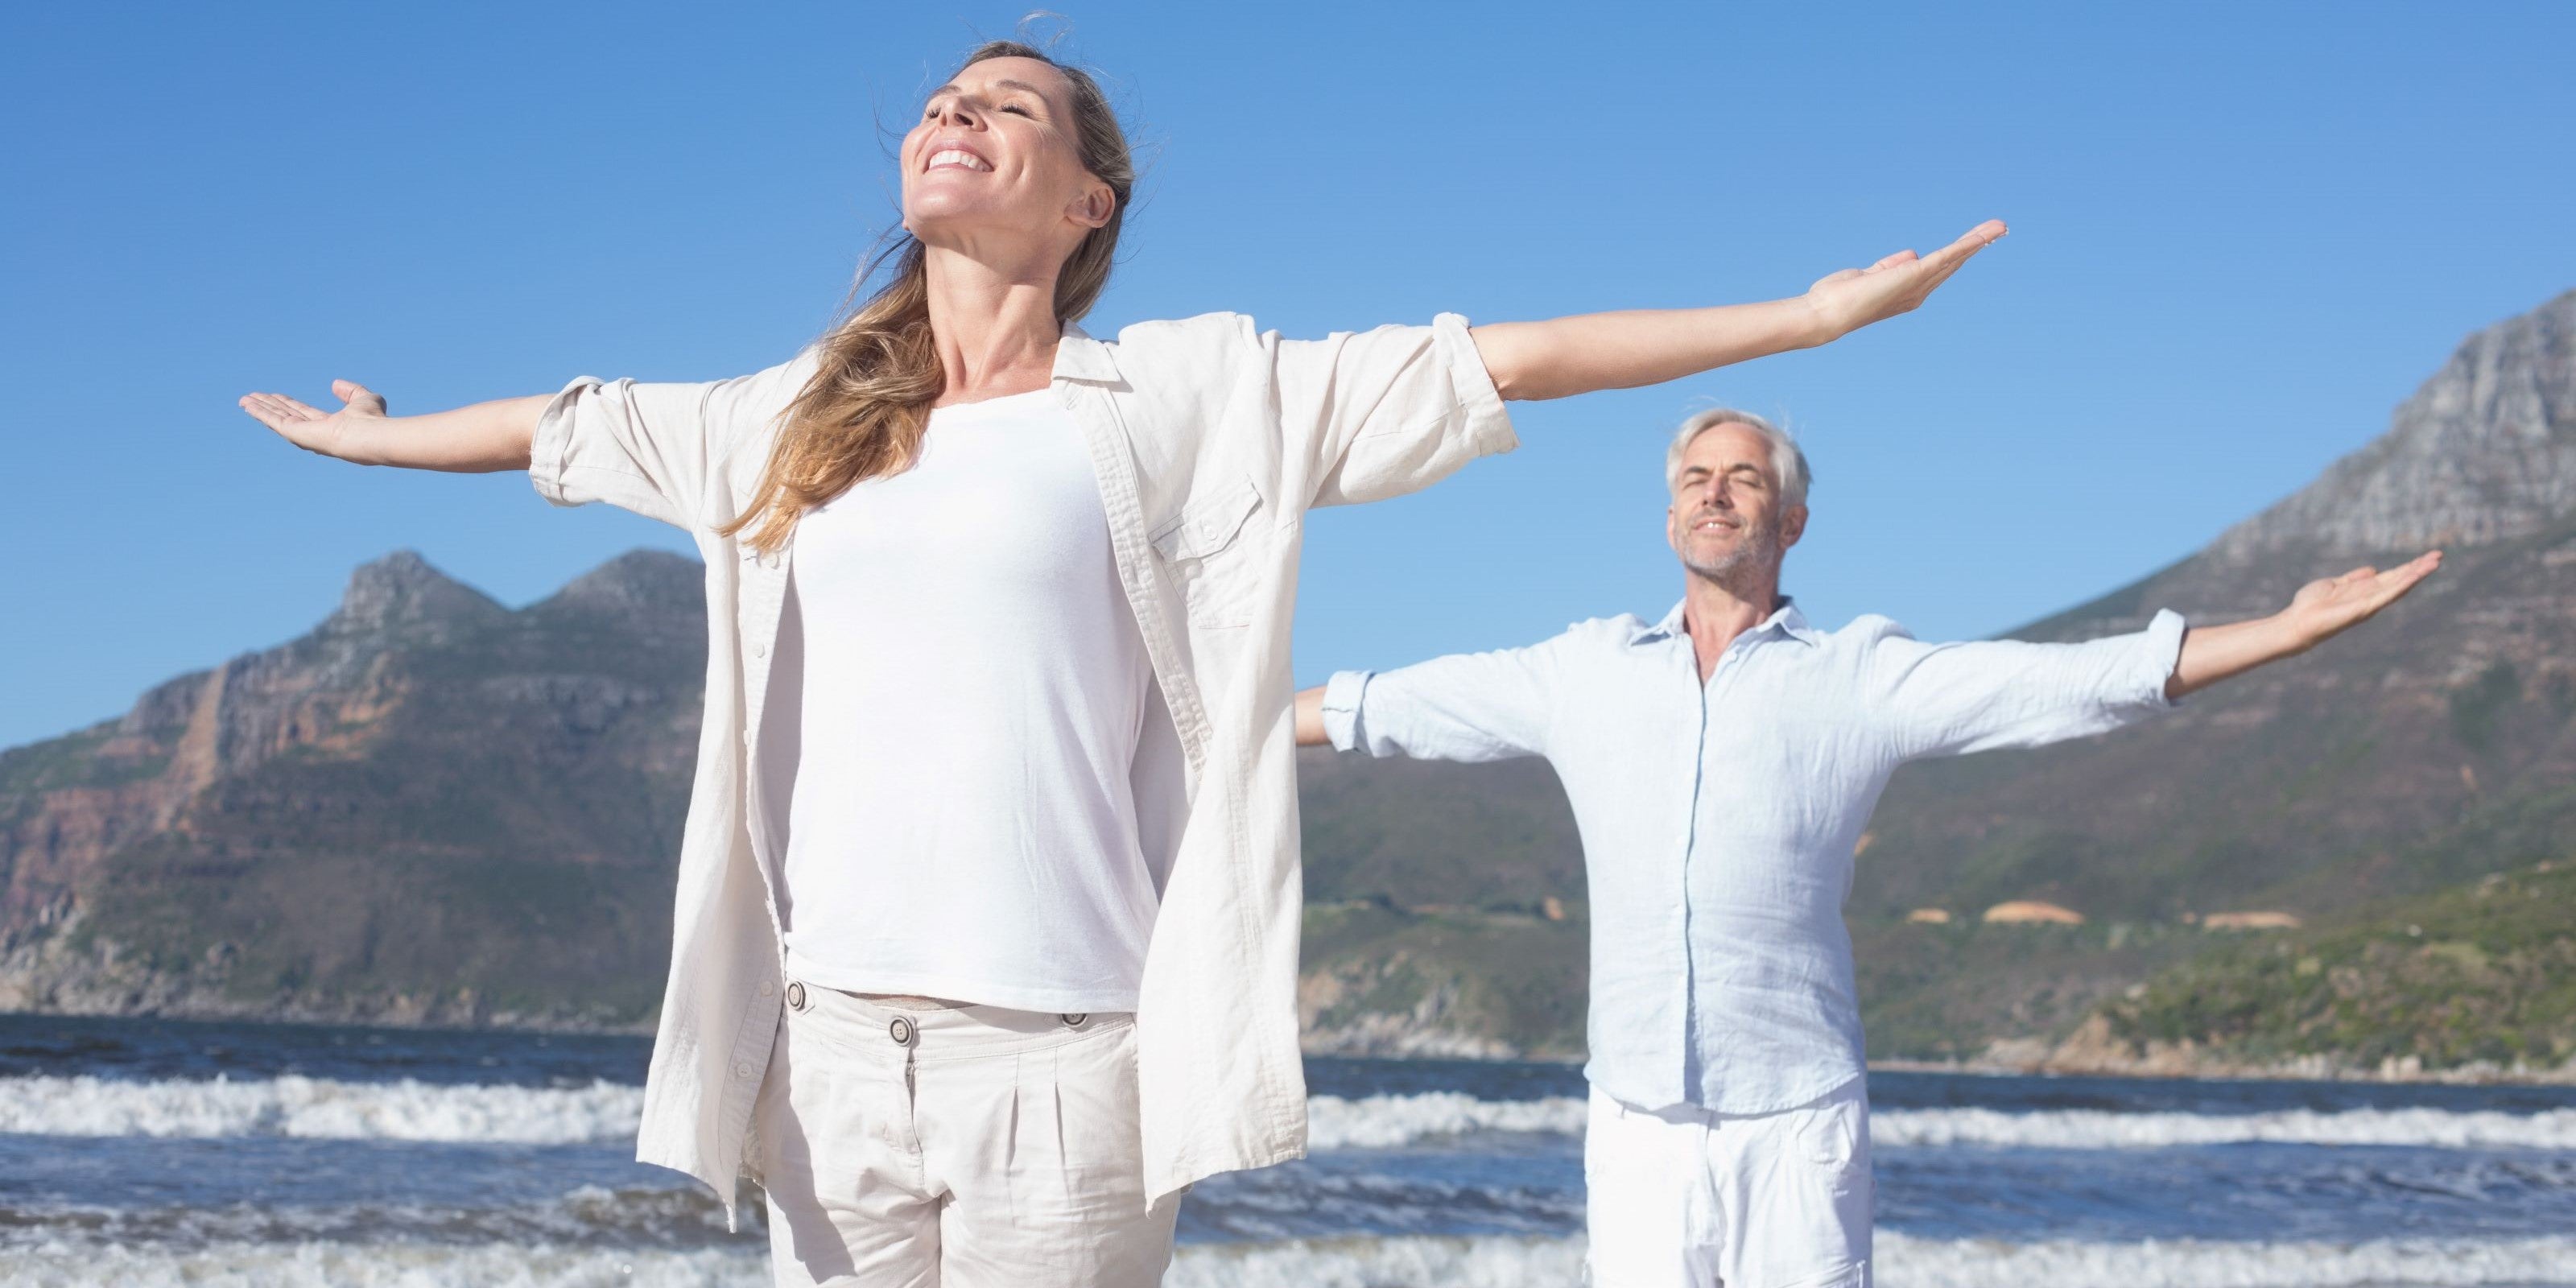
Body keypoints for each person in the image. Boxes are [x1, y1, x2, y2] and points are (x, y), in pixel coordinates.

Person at [240, 35, 2005, 1288]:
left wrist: (1804, 319)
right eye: (941, 99)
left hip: (1068, 1059)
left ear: (1088, 199)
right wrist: (375, 444)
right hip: (835, 1047)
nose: (956, 114)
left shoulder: (1183, 397)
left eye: (1008, 107)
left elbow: (1512, 358)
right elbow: (567, 424)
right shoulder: (800, 416)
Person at [1294, 408, 2440, 1288]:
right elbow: (1388, 708)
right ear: (1668, 518)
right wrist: (1200, 721)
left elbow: (2070, 685)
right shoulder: (1581, 672)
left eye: (1745, 479)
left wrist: (2285, 632)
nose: (1717, 494)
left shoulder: (1862, 676)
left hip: (1799, 1117)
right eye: (1696, 479)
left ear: (1790, 521)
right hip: (1637, 1119)